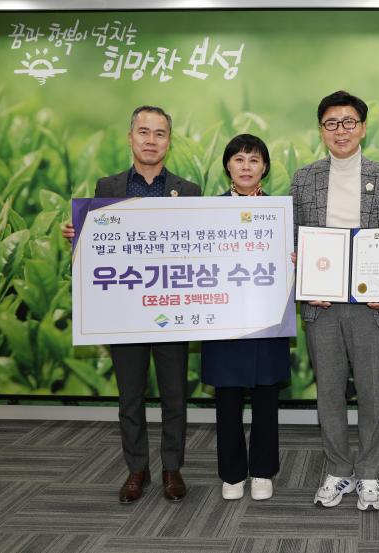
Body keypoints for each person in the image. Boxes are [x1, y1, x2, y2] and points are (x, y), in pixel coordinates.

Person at [63, 105, 201, 503]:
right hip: (124, 312)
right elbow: (99, 248)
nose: (151, 140)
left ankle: (172, 468)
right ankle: (136, 469)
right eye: (143, 132)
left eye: (160, 133)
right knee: (130, 397)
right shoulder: (107, 187)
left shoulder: (189, 191)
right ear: (130, 138)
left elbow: (200, 247)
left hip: (171, 310)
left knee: (174, 396)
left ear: (169, 142)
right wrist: (77, 237)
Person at [291, 90, 379, 511]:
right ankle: (338, 469)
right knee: (328, 392)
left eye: (348, 122)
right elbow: (294, 237)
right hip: (321, 306)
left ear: (362, 127)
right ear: (321, 130)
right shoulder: (304, 178)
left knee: (372, 392)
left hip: (370, 306)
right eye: (331, 123)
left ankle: (370, 474)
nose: (340, 130)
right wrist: (302, 274)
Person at [201, 134, 291, 501]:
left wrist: (296, 257)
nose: (246, 167)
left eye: (254, 160)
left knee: (266, 398)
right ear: (227, 166)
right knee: (227, 399)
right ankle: (233, 473)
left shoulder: (281, 212)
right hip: (223, 316)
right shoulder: (208, 210)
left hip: (267, 316)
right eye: (239, 159)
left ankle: (263, 472)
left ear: (265, 167)